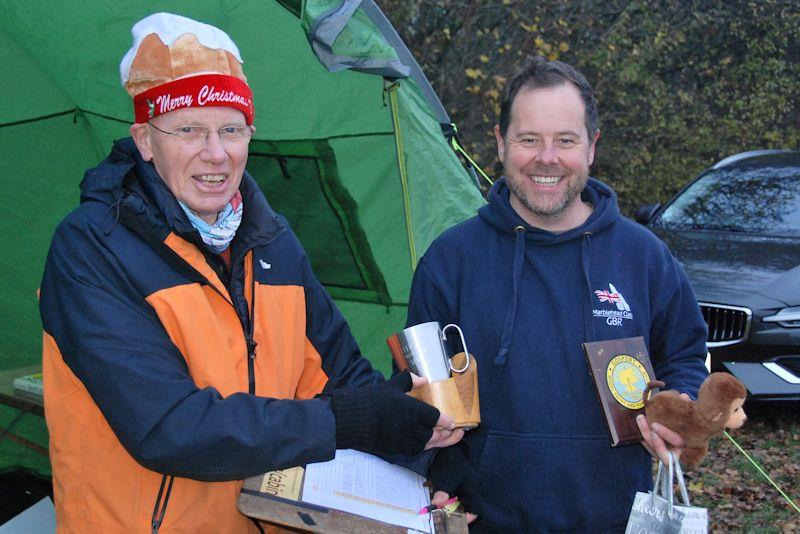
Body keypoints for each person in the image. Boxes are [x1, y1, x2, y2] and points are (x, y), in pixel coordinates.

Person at [39, 13, 461, 534]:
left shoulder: (272, 241)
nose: (215, 154)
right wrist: (355, 419)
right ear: (146, 141)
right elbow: (169, 428)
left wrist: (406, 425)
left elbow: (343, 382)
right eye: (189, 129)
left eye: (231, 130)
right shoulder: (92, 247)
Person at [409, 57, 709, 531]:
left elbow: (686, 356)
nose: (546, 158)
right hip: (483, 519)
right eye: (529, 139)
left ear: (591, 147)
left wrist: (679, 409)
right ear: (500, 143)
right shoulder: (451, 260)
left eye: (565, 141)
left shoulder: (644, 257)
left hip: (613, 517)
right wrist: (432, 472)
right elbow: (419, 391)